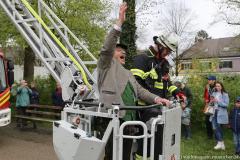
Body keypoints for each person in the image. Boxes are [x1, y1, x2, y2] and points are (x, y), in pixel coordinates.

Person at [97, 3, 170, 160]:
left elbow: (141, 91)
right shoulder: (106, 65)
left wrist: (158, 99)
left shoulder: (128, 73)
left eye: (124, 50)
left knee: (125, 155)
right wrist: (119, 23)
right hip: (113, 119)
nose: (123, 51)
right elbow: (107, 48)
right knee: (112, 155)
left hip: (130, 121)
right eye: (118, 49)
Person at [130, 25, 179, 160]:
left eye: (170, 51)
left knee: (160, 140)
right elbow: (136, 84)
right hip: (144, 107)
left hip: (159, 107)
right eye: (167, 50)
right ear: (160, 45)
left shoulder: (164, 64)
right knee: (146, 141)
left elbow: (166, 84)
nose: (168, 53)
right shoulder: (142, 59)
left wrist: (177, 92)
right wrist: (154, 98)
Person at [210, 81, 229, 150]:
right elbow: (212, 102)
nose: (217, 87)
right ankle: (221, 143)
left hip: (220, 113)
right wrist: (211, 101)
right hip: (214, 112)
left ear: (221, 87)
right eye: (216, 86)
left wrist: (218, 101)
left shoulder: (225, 94)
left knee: (218, 128)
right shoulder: (214, 93)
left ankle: (219, 142)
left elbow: (226, 105)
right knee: (215, 128)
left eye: (219, 86)